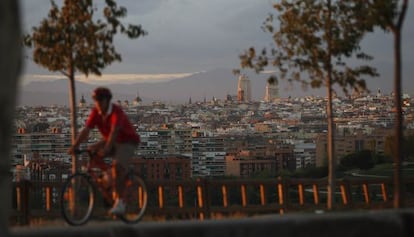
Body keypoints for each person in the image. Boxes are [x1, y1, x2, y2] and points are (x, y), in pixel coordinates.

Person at [68, 87, 140, 215]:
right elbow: (86, 130)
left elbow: (114, 132)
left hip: (127, 141)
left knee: (117, 166)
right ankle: (108, 178)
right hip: (111, 140)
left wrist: (106, 149)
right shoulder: (96, 112)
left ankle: (121, 202)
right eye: (96, 100)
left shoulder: (117, 112)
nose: (98, 103)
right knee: (91, 150)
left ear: (107, 101)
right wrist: (75, 145)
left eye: (101, 100)